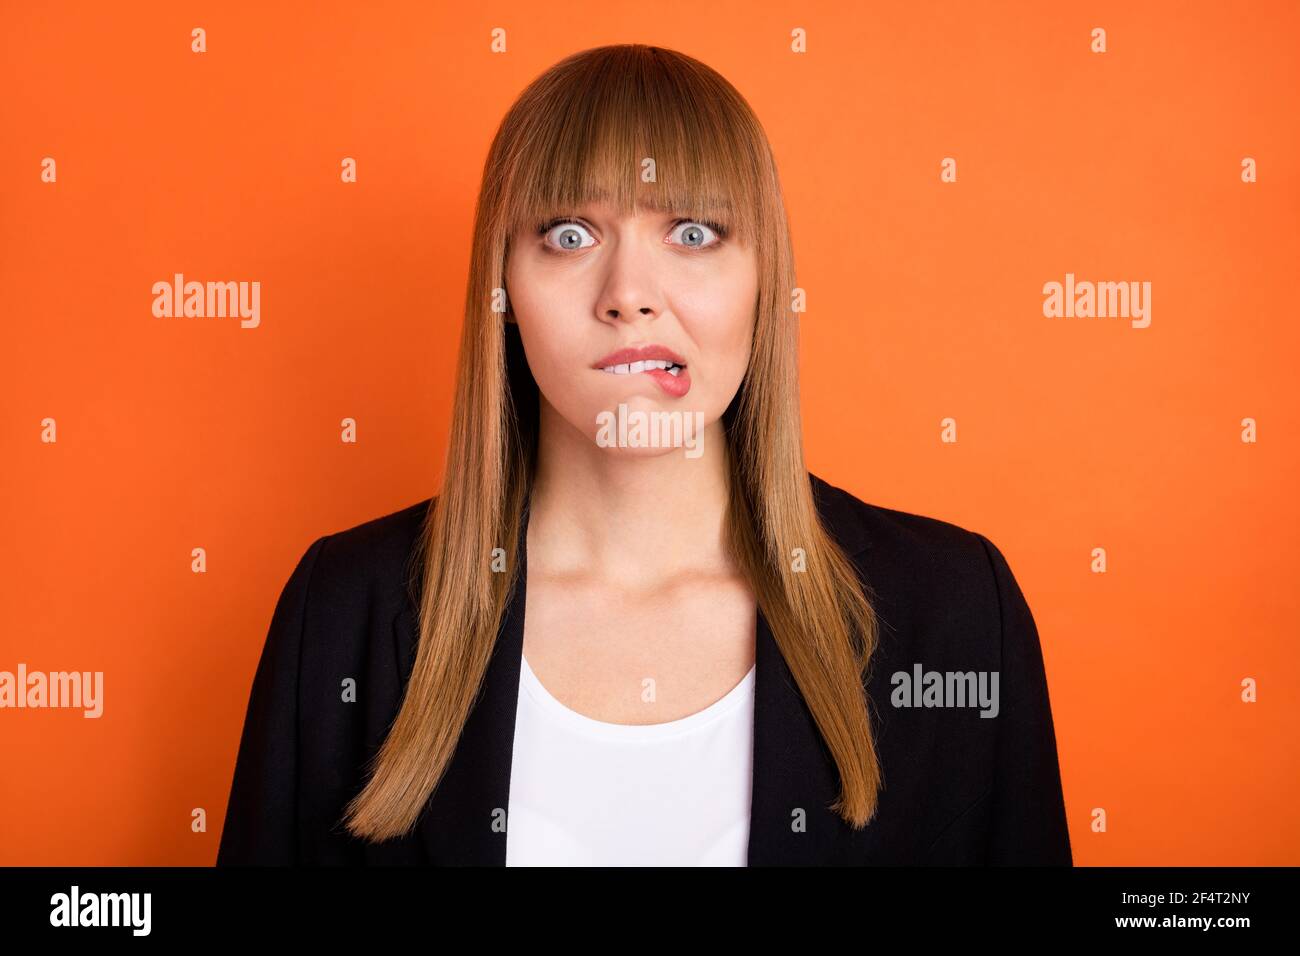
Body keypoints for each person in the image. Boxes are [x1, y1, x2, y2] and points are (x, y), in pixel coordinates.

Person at [216, 43, 1071, 866]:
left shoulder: (958, 613)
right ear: (503, 287)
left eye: (693, 233)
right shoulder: (340, 614)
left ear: (764, 279)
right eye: (569, 235)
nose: (629, 295)